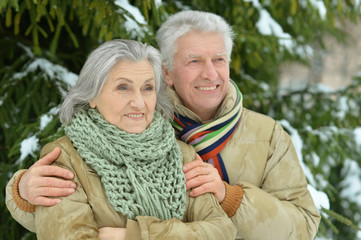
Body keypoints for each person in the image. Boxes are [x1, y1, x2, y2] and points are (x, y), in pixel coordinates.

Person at [6, 10, 321, 240]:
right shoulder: (143, 125)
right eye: (194, 60)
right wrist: (21, 191)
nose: (211, 74)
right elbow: (60, 216)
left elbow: (301, 227)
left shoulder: (265, 136)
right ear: (167, 74)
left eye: (219, 59)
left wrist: (230, 198)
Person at [5, 39, 236, 240]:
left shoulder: (182, 154)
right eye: (123, 87)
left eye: (147, 88)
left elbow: (221, 231)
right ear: (92, 96)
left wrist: (137, 235)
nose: (138, 102)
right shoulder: (64, 160)